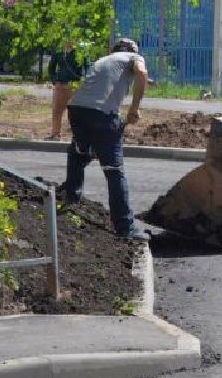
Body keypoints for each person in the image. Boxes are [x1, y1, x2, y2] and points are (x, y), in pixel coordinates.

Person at [59, 38, 152, 240]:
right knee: (114, 170)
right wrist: (134, 109)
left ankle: (71, 198)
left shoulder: (104, 60)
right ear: (133, 50)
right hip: (101, 114)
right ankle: (125, 229)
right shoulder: (135, 57)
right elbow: (142, 73)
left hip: (76, 109)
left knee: (79, 152)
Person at [46, 39, 83, 140]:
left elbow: (85, 68)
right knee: (57, 110)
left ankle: (77, 137)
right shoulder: (58, 53)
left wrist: (81, 82)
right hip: (60, 85)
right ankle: (55, 134)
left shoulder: (80, 53)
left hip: (74, 86)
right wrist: (55, 81)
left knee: (75, 112)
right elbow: (51, 68)